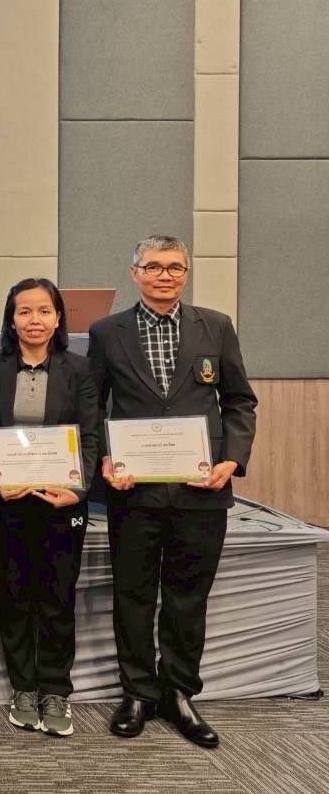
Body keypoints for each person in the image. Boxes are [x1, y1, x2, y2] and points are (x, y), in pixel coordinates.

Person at [89, 235, 257, 748]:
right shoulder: (106, 332)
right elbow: (92, 406)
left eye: (175, 267)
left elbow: (239, 401)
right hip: (133, 491)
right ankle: (137, 693)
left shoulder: (216, 326)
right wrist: (103, 460)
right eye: (154, 266)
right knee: (134, 595)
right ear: (134, 272)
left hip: (200, 490)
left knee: (188, 597)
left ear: (186, 273)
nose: (165, 275)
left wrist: (232, 459)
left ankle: (180, 692)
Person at [0, 278, 102, 737]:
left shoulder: (79, 369)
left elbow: (90, 436)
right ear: (12, 319)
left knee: (57, 597)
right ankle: (23, 688)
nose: (34, 320)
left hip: (60, 501)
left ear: (58, 317)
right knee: (15, 596)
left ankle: (55, 689)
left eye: (44, 311)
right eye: (24, 311)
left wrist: (78, 489)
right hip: (7, 502)